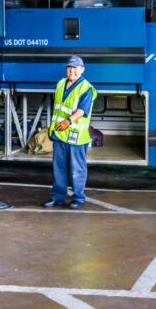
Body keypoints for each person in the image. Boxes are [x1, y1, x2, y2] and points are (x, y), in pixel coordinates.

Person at [43, 56, 97, 210]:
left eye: (75, 68)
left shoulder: (86, 88)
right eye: (69, 67)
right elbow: (59, 108)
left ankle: (78, 198)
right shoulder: (61, 84)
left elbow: (82, 110)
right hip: (60, 134)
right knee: (58, 168)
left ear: (82, 70)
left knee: (77, 169)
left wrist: (69, 121)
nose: (72, 71)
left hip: (76, 136)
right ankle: (58, 197)